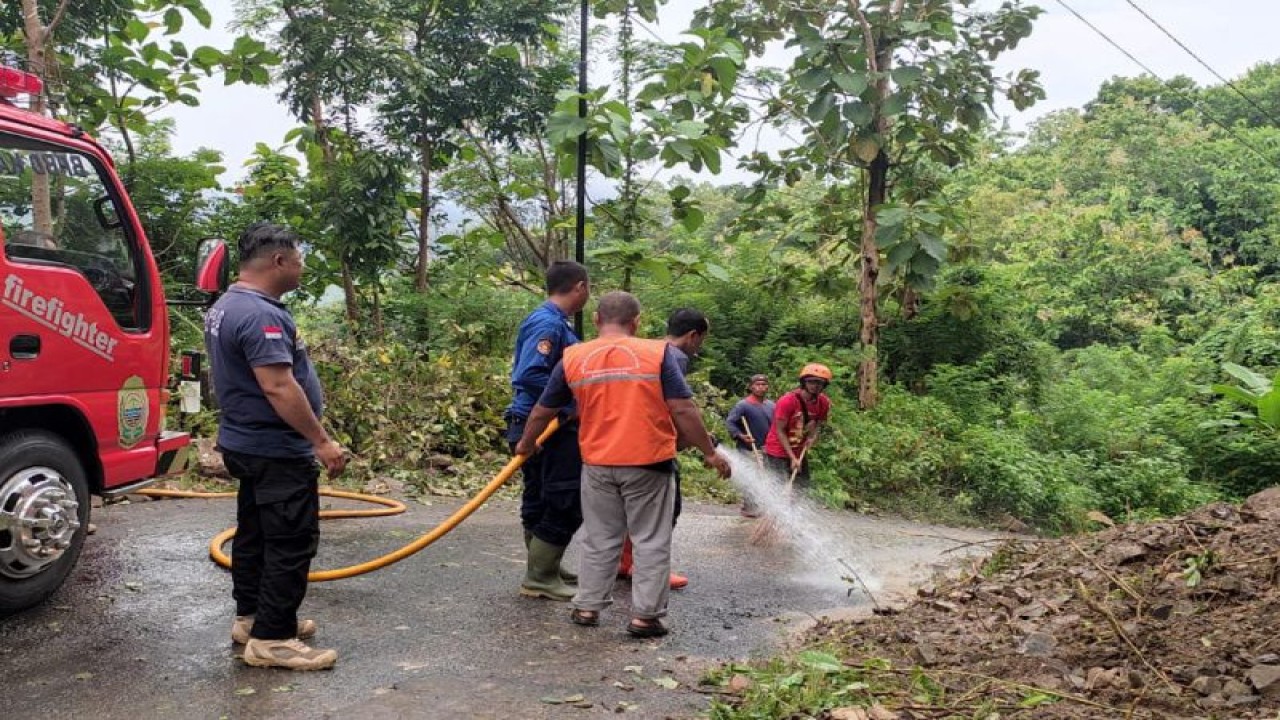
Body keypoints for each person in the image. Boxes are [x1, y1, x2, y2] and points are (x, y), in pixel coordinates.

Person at [515, 292, 730, 638]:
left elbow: (543, 409)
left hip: (597, 464)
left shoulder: (574, 356)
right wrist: (709, 452)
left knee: (599, 538)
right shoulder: (657, 354)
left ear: (597, 319)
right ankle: (645, 617)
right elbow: (682, 408)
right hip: (648, 463)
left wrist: (527, 443)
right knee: (650, 540)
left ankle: (587, 607)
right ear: (637, 322)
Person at [204, 222, 346, 671]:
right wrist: (321, 441)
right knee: (290, 541)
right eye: (299, 260)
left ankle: (252, 619)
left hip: (244, 443)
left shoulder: (227, 305)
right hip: (275, 449)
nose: (302, 269)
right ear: (279, 261)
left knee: (256, 535)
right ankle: (273, 639)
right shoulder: (261, 315)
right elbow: (279, 386)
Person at [504, 260, 590, 601]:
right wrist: (570, 403)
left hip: (535, 422)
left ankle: (545, 568)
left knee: (540, 495)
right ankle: (540, 575)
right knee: (565, 496)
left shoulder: (555, 322)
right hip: (544, 425)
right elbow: (530, 374)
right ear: (580, 287)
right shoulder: (548, 323)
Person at [616, 308, 709, 590]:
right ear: (692, 336)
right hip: (654, 445)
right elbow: (677, 406)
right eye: (702, 340)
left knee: (629, 509)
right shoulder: (676, 357)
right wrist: (701, 443)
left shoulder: (649, 350)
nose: (699, 347)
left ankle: (625, 562)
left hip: (623, 440)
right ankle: (647, 569)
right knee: (666, 510)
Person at [763, 363, 833, 491]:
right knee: (776, 488)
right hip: (778, 450)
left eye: (819, 383)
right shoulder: (787, 401)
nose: (815, 386)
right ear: (804, 382)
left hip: (799, 450)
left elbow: (817, 424)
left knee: (802, 488)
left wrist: (812, 437)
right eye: (811, 381)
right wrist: (792, 458)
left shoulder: (823, 402)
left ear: (824, 385)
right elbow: (780, 430)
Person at [725, 374, 774, 517]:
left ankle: (763, 507)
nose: (761, 387)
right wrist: (741, 436)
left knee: (766, 478)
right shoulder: (743, 405)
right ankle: (749, 507)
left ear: (767, 387)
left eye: (764, 384)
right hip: (748, 449)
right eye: (757, 384)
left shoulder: (771, 406)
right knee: (751, 479)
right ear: (751, 387)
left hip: (766, 449)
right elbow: (730, 423)